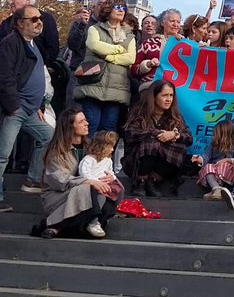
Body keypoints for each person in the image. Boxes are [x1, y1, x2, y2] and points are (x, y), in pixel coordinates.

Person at [0, 6, 55, 212]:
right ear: (20, 23)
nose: (39, 22)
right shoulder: (10, 43)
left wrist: (38, 104)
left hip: (29, 109)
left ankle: (33, 181)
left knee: (48, 136)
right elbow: (2, 76)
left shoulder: (33, 45)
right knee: (0, 154)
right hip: (13, 109)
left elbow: (35, 76)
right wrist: (13, 105)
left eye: (40, 18)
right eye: (34, 19)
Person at [37, 109, 121, 239]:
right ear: (70, 126)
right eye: (81, 121)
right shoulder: (56, 150)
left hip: (88, 193)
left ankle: (78, 224)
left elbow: (102, 166)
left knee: (114, 187)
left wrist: (109, 177)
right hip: (59, 195)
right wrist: (88, 181)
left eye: (85, 120)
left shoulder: (91, 146)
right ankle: (55, 225)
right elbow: (59, 179)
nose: (87, 123)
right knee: (87, 189)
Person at [121, 79, 192, 196]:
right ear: (154, 96)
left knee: (180, 147)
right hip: (136, 160)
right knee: (151, 141)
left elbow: (189, 138)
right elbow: (130, 134)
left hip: (160, 165)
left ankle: (152, 181)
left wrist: (174, 134)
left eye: (171, 95)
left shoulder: (175, 116)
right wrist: (158, 134)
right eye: (164, 95)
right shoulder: (139, 113)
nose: (168, 99)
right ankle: (140, 182)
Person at [76, 0, 135, 136]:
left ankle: (105, 152)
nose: (121, 10)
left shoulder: (129, 35)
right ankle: (88, 151)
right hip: (93, 85)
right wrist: (119, 49)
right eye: (118, 7)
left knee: (109, 128)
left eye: (124, 8)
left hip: (116, 88)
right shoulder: (94, 29)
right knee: (91, 124)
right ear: (108, 9)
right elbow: (94, 45)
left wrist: (107, 56)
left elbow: (130, 58)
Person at [132, 8, 183, 91]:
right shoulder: (149, 43)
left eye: (178, 22)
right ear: (162, 23)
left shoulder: (184, 46)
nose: (175, 24)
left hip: (175, 90)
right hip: (151, 87)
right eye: (172, 21)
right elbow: (134, 70)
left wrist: (202, 48)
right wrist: (147, 65)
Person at [192, 119, 234, 203]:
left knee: (224, 166)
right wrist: (199, 159)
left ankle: (219, 190)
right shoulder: (212, 146)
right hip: (214, 173)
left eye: (214, 134)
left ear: (223, 136)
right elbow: (205, 157)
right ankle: (216, 189)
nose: (212, 137)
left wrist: (227, 160)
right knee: (207, 166)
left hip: (226, 174)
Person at [78, 131, 124, 201]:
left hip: (106, 185)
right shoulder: (88, 160)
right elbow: (84, 175)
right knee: (98, 197)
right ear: (102, 147)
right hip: (92, 186)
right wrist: (97, 182)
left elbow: (110, 172)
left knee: (119, 189)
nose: (112, 150)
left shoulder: (108, 160)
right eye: (110, 147)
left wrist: (112, 177)